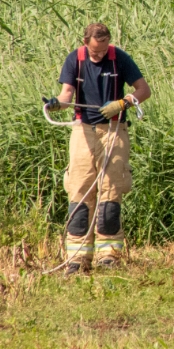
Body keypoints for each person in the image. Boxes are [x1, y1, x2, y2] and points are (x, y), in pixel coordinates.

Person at [43, 23, 151, 275]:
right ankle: (77, 258)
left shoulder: (120, 58)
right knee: (79, 191)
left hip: (114, 130)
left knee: (111, 192)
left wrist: (122, 103)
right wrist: (58, 105)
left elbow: (143, 90)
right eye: (95, 51)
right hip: (83, 131)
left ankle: (109, 255)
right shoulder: (75, 59)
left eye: (103, 51)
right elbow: (67, 94)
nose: (100, 55)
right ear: (85, 42)